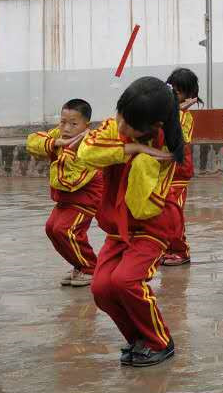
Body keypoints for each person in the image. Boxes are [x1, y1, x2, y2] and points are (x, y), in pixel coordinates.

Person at [79, 76, 184, 368]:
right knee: (101, 288)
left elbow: (142, 207)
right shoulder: (118, 128)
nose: (121, 128)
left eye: (130, 126)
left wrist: (140, 163)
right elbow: (86, 152)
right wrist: (131, 149)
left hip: (151, 227)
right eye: (120, 118)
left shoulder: (164, 152)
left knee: (126, 281)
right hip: (117, 228)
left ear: (154, 128)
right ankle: (137, 339)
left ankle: (160, 341)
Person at [26, 98, 101, 287]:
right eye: (63, 122)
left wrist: (62, 150)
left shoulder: (90, 143)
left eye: (73, 124)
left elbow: (69, 179)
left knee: (66, 230)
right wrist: (54, 143)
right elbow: (33, 141)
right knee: (51, 228)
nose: (66, 128)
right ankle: (79, 265)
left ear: (86, 125)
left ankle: (91, 268)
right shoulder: (60, 135)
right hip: (65, 198)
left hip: (86, 196)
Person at [164, 68, 200, 266]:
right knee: (161, 212)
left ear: (189, 95)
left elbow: (181, 138)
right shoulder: (163, 111)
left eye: (178, 92)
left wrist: (176, 112)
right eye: (171, 89)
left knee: (173, 212)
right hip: (160, 169)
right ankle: (167, 248)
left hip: (177, 171)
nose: (173, 94)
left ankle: (180, 251)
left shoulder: (185, 117)